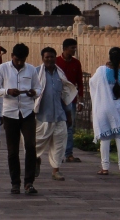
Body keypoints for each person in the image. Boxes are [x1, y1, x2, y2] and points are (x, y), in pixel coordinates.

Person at [0, 42, 38, 195]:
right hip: (10, 113)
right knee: (13, 150)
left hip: (27, 111)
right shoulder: (3, 68)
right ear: (12, 56)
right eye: (17, 59)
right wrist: (7, 91)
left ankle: (29, 181)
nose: (19, 63)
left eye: (22, 60)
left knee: (30, 146)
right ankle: (15, 183)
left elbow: (38, 88)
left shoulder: (31, 69)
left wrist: (33, 92)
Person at [33, 46, 75, 182]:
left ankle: (56, 170)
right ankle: (36, 161)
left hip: (59, 116)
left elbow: (65, 95)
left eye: (52, 57)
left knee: (59, 144)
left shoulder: (60, 74)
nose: (49, 59)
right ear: (42, 58)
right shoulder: (36, 73)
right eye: (47, 57)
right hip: (42, 117)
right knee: (35, 144)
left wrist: (68, 114)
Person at [89, 46, 120, 176]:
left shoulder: (102, 71)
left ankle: (105, 168)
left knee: (105, 138)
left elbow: (92, 83)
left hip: (105, 109)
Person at [57, 37, 84, 163]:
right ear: (65, 49)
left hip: (71, 100)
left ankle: (69, 153)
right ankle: (57, 153)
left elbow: (80, 82)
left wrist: (81, 100)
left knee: (69, 126)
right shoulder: (56, 62)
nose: (74, 50)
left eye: (75, 48)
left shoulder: (76, 63)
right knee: (55, 126)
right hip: (57, 99)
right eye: (72, 48)